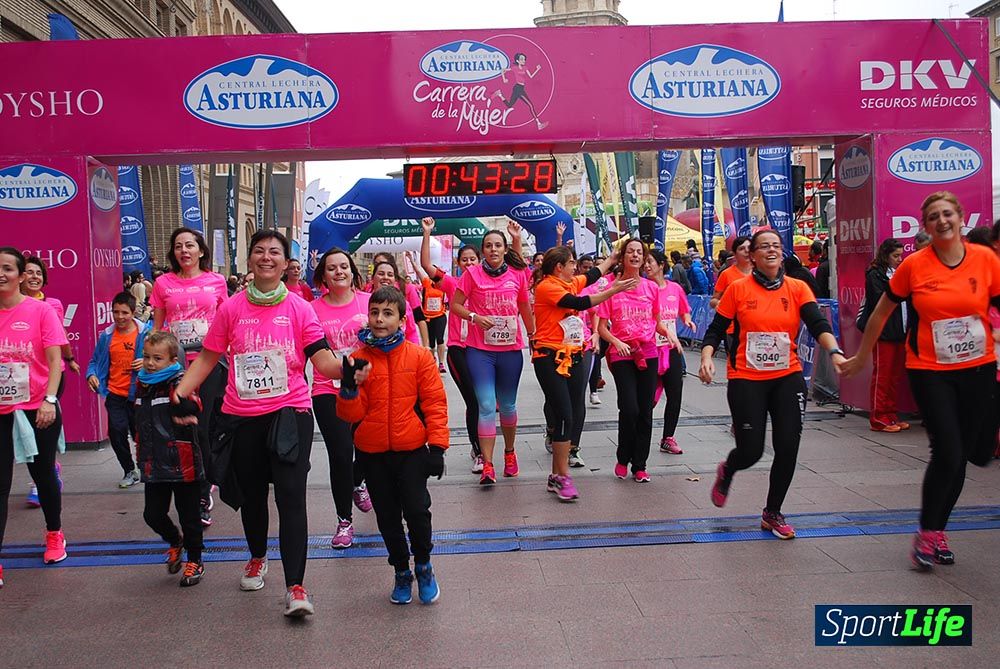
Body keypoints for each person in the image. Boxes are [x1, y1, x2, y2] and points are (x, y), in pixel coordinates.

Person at [173, 230, 367, 617]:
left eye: (274, 252)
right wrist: (180, 391)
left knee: (291, 497)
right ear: (250, 260)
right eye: (259, 251)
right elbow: (209, 357)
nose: (266, 257)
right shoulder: (231, 308)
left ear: (284, 263)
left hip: (290, 413)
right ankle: (257, 556)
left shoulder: (300, 308)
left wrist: (347, 370)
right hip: (242, 416)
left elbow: (322, 359)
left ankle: (296, 586)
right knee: (252, 496)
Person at [843, 193, 1000, 569]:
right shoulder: (914, 265)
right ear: (926, 225)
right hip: (930, 370)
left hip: (978, 369)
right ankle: (930, 533)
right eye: (933, 217)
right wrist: (862, 356)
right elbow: (881, 312)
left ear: (960, 217)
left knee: (975, 454)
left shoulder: (985, 260)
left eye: (947, 214)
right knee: (948, 452)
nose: (942, 221)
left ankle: (937, 526)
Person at [700, 230, 846, 539]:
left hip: (786, 376)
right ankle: (729, 468)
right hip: (746, 378)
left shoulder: (797, 288)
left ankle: (772, 512)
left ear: (782, 253)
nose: (771, 250)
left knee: (788, 446)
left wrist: (834, 351)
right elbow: (715, 329)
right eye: (764, 246)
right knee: (751, 451)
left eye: (776, 246)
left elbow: (818, 323)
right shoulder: (738, 289)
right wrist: (707, 357)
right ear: (752, 255)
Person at [336, 286, 448, 605]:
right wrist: (348, 389)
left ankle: (423, 565)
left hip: (411, 450)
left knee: (417, 511)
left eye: (387, 313)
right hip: (372, 454)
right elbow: (350, 415)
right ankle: (401, 570)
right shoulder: (358, 359)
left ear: (401, 320)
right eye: (374, 312)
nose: (380, 319)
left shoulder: (419, 357)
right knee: (386, 518)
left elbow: (435, 403)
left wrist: (437, 448)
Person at [532, 246, 634, 500]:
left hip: (575, 353)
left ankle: (556, 476)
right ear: (559, 267)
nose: (575, 267)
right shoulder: (547, 287)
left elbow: (592, 276)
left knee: (573, 412)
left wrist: (613, 258)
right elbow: (579, 303)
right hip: (549, 357)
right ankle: (562, 476)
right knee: (564, 415)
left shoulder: (569, 282)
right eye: (571, 263)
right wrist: (613, 290)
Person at [1, 247, 70, 587]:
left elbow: (55, 360)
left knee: (43, 475)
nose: (1, 274)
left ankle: (55, 532)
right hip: (2, 409)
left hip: (36, 406)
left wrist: (49, 400)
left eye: (7, 268)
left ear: (19, 275)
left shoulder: (41, 310)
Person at [150, 227, 228, 527]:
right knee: (180, 430)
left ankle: (203, 491)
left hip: (208, 363)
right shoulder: (163, 283)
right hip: (175, 367)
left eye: (190, 245)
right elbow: (158, 328)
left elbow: (225, 321)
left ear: (201, 250)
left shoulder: (216, 281)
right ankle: (190, 484)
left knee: (202, 428)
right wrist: (150, 360)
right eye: (178, 246)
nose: (184, 251)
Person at [450, 230, 534, 485]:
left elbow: (524, 306)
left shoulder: (517, 274)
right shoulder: (472, 274)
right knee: (486, 406)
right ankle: (487, 464)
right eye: (488, 246)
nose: (493, 250)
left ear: (505, 249)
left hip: (510, 352)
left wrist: (533, 335)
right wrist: (474, 317)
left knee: (507, 406)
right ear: (483, 250)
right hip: (480, 352)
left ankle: (509, 452)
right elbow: (455, 305)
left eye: (498, 245)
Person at [598, 239, 678, 482]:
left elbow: (657, 322)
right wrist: (617, 342)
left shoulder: (651, 288)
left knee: (645, 410)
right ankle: (623, 458)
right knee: (629, 408)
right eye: (630, 252)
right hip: (622, 354)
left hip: (648, 352)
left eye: (639, 252)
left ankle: (640, 465)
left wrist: (669, 334)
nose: (635, 255)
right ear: (623, 257)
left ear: (643, 259)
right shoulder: (612, 288)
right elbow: (601, 328)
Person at [310, 248, 372, 549]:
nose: (339, 272)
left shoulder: (368, 302)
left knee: (366, 448)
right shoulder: (312, 309)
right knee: (340, 453)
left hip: (366, 387)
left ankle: (357, 480)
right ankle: (344, 520)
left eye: (344, 266)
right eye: (332, 268)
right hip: (327, 389)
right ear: (323, 275)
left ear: (352, 271)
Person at [134, 331, 205, 587]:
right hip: (153, 462)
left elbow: (194, 405)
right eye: (146, 357)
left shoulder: (180, 380)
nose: (150, 363)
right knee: (152, 514)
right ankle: (175, 540)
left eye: (157, 358)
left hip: (182, 461)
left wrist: (182, 401)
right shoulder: (142, 384)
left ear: (173, 360)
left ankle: (195, 560)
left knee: (190, 517)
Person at [419, 218, 485, 473]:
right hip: (459, 351)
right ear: (458, 264)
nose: (469, 263)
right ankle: (478, 451)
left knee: (486, 403)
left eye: (472, 259)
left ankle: (487, 448)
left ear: (479, 261)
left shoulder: (487, 284)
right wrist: (427, 233)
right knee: (474, 402)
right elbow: (426, 265)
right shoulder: (451, 284)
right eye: (464, 260)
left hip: (483, 351)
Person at [20, 256, 75, 507]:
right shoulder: (7, 305)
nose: (34, 277)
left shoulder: (52, 305)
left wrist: (69, 359)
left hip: (51, 374)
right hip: (19, 377)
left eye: (38, 273)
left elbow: (60, 336)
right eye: (29, 272)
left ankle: (43, 476)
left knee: (40, 428)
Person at [85, 292, 148, 487]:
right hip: (115, 394)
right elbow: (94, 361)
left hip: (140, 394)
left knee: (142, 435)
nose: (120, 317)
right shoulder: (106, 336)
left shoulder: (146, 333)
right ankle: (129, 470)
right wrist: (91, 375)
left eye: (124, 313)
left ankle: (146, 468)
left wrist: (146, 362)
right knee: (116, 432)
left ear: (133, 312)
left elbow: (163, 357)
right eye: (116, 312)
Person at [645, 249, 694, 455]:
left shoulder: (675, 288)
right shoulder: (643, 288)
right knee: (647, 398)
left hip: (672, 349)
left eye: (650, 262)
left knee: (675, 394)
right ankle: (640, 434)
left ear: (661, 265)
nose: (646, 266)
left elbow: (684, 310)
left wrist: (687, 320)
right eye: (645, 262)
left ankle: (668, 438)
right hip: (649, 349)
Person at [856, 238, 907, 433]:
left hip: (900, 329)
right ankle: (878, 417)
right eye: (896, 256)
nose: (899, 259)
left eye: (901, 255)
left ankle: (891, 414)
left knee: (894, 376)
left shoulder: (898, 272)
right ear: (886, 255)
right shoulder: (875, 274)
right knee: (882, 375)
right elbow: (880, 301)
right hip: (884, 331)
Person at [406, 251, 447, 371]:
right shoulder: (426, 282)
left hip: (440, 315)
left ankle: (441, 363)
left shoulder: (443, 284)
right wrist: (411, 260)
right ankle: (432, 361)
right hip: (428, 317)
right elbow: (418, 271)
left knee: (440, 339)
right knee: (431, 342)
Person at [493, 52, 548, 130]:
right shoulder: (514, 68)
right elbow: (503, 70)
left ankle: (500, 94)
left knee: (509, 105)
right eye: (521, 59)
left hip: (521, 88)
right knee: (531, 105)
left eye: (524, 59)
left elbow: (531, 76)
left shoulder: (525, 68)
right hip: (518, 88)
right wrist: (504, 79)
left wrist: (537, 69)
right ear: (517, 60)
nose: (523, 61)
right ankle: (539, 124)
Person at [709, 236, 751, 311]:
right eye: (741, 248)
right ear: (734, 254)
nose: (747, 251)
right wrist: (723, 304)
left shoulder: (761, 272)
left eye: (749, 247)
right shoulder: (726, 274)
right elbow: (713, 301)